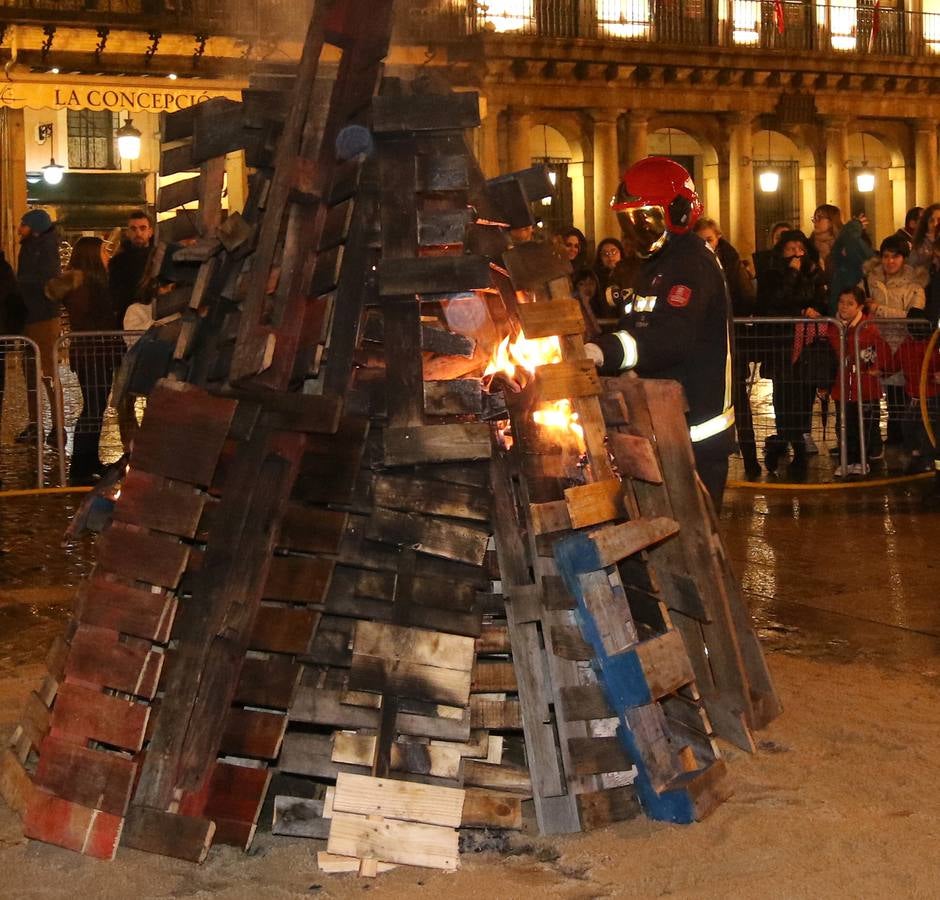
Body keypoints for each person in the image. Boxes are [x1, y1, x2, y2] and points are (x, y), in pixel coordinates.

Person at [584, 157, 734, 508]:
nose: (637, 232)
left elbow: (671, 337)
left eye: (645, 219)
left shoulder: (691, 263)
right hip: (662, 426)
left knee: (694, 545)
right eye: (629, 221)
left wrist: (605, 352)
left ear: (679, 214)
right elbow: (637, 324)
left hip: (695, 431)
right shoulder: (655, 264)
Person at [44, 237, 120, 485]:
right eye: (103, 251)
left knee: (96, 408)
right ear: (92, 255)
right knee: (93, 409)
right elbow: (91, 316)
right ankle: (81, 464)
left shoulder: (94, 282)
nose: (107, 255)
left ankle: (89, 460)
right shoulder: (86, 285)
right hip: (92, 352)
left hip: (97, 352)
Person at [756, 229, 829, 475]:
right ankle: (783, 442)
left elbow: (822, 300)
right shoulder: (773, 272)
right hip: (782, 344)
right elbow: (774, 301)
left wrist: (814, 310)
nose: (797, 254)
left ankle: (797, 448)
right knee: (784, 397)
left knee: (803, 397)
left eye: (801, 248)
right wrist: (792, 272)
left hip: (807, 344)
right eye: (790, 249)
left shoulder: (815, 272)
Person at [693, 217, 760, 478]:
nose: (706, 245)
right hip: (705, 343)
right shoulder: (695, 263)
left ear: (718, 238)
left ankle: (750, 458)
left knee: (739, 402)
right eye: (701, 240)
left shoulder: (730, 263)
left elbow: (745, 297)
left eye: (709, 239)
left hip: (731, 342)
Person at [863, 234, 928, 444]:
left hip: (903, 346)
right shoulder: (870, 280)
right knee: (875, 396)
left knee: (901, 398)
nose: (890, 261)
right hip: (877, 345)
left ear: (904, 258)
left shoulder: (915, 285)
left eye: (895, 257)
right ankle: (875, 442)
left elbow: (913, 317)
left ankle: (904, 441)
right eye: (886, 256)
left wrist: (879, 309)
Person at [825, 286, 892, 476]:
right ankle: (846, 460)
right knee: (843, 424)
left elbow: (882, 350)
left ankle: (863, 459)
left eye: (850, 303)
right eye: (841, 302)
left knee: (864, 425)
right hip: (842, 385)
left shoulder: (868, 328)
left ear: (859, 306)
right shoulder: (833, 326)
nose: (844, 307)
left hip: (865, 387)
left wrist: (877, 368)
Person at [16, 208, 61, 446]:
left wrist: (18, 284)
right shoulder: (30, 248)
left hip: (42, 319)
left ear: (33, 229)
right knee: (31, 376)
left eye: (23, 225)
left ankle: (58, 425)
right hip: (30, 318)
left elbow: (46, 280)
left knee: (48, 375)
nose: (18, 229)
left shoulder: (45, 249)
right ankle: (36, 425)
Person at [890, 308, 940, 474]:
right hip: (914, 395)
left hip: (932, 396)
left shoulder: (934, 346)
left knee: (929, 429)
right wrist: (882, 370)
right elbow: (895, 363)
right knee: (909, 426)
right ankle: (916, 454)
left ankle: (928, 459)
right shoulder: (907, 344)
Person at [108, 210, 154, 323]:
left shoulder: (159, 257)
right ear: (128, 232)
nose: (138, 233)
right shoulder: (118, 261)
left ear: (150, 231)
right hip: (128, 319)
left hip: (154, 316)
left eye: (142, 228)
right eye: (133, 229)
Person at [571, 267, 602, 339]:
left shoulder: (598, 305)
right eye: (581, 284)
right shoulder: (575, 306)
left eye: (591, 283)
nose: (587, 287)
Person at [909, 203, 940, 271]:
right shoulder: (920, 246)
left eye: (939, 220)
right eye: (931, 221)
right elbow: (912, 269)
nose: (935, 224)